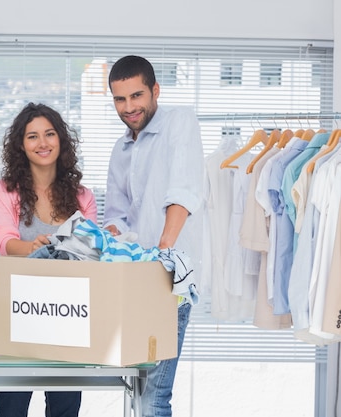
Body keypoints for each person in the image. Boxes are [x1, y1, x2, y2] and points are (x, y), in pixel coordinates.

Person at [103, 55, 204, 417]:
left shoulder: (180, 122)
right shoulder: (120, 150)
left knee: (153, 398)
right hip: (132, 280)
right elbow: (116, 216)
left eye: (136, 96)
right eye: (120, 99)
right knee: (136, 389)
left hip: (168, 282)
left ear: (155, 90)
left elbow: (183, 192)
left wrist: (161, 256)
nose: (129, 107)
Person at [0, 102, 98, 417]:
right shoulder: (3, 191)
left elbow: (89, 250)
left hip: (70, 317)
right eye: (32, 136)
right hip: (17, 316)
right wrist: (33, 248)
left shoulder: (83, 196)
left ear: (61, 140)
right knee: (10, 410)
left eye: (50, 134)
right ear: (21, 146)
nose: (43, 143)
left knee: (65, 410)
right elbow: (4, 239)